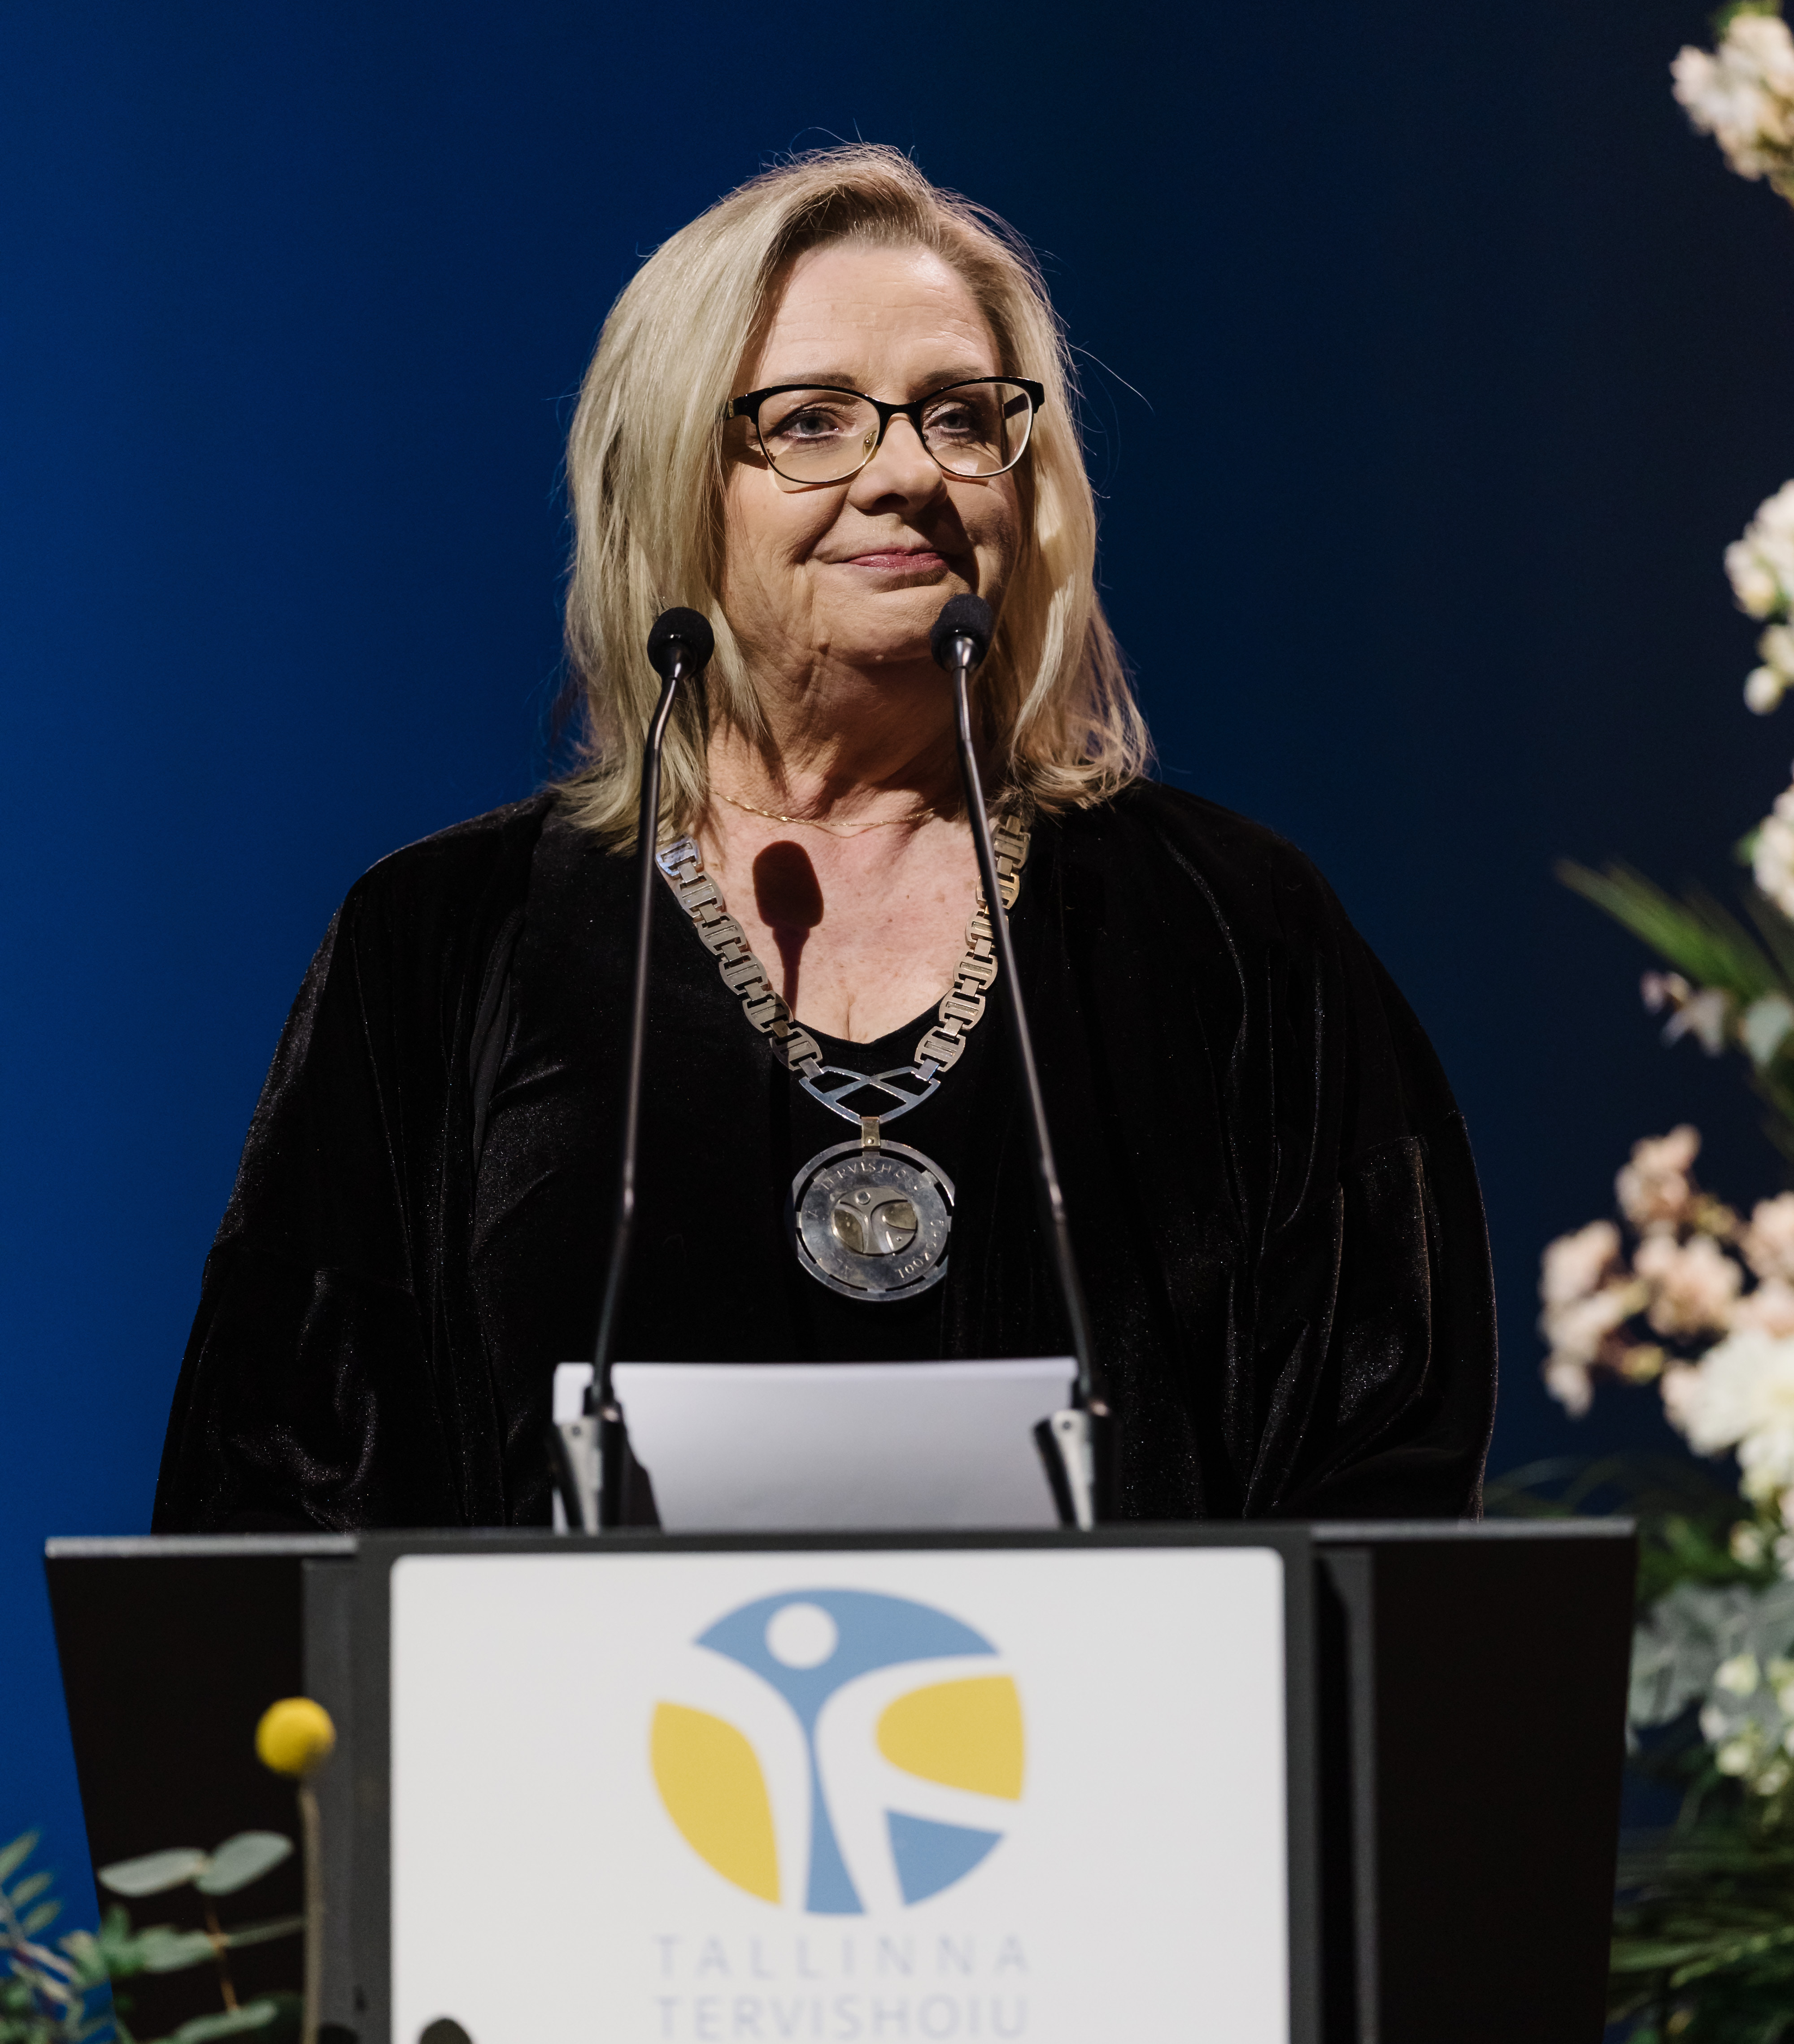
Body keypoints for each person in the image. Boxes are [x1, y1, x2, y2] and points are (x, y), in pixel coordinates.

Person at [153, 145, 1496, 1533]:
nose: (908, 473)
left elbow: (1385, 1482)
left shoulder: (1235, 931)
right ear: (672, 482)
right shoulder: (442, 946)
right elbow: (280, 1507)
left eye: (961, 417)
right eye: (811, 422)